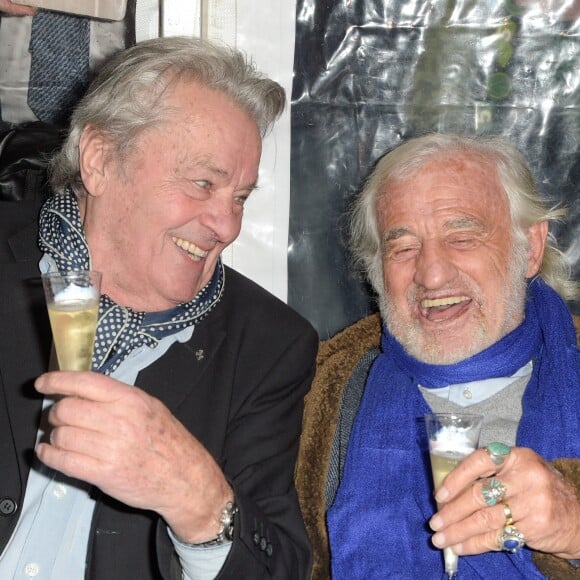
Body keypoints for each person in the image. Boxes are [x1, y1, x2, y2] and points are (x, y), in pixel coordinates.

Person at [0, 36, 318, 579]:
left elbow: (281, 567)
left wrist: (199, 503)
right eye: (202, 184)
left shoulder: (267, 345)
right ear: (100, 160)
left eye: (239, 197)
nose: (228, 225)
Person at [296, 133, 580, 579]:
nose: (430, 274)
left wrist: (574, 526)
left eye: (462, 237)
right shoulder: (318, 401)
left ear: (531, 248)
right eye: (403, 248)